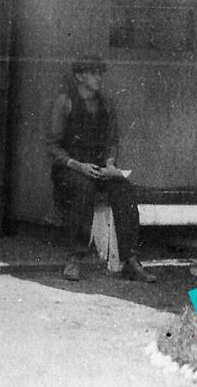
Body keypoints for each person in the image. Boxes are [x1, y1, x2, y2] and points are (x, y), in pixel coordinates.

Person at [48, 54, 155, 283]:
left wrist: (109, 163)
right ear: (80, 76)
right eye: (93, 73)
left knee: (124, 190)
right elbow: (52, 146)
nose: (99, 78)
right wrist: (77, 165)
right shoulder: (65, 101)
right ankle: (75, 259)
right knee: (84, 188)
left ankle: (130, 260)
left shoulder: (106, 103)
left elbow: (112, 140)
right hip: (70, 170)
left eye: (100, 73)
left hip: (98, 169)